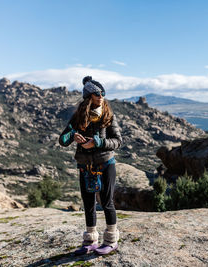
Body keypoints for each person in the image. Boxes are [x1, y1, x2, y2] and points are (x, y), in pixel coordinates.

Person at [59, 76, 122, 255]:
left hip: (105, 164)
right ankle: (90, 240)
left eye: (102, 92)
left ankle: (111, 241)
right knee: (88, 204)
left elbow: (117, 141)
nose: (101, 95)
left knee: (107, 203)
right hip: (85, 166)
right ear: (88, 97)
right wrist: (74, 135)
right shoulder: (78, 116)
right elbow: (62, 140)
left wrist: (97, 142)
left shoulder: (108, 115)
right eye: (96, 93)